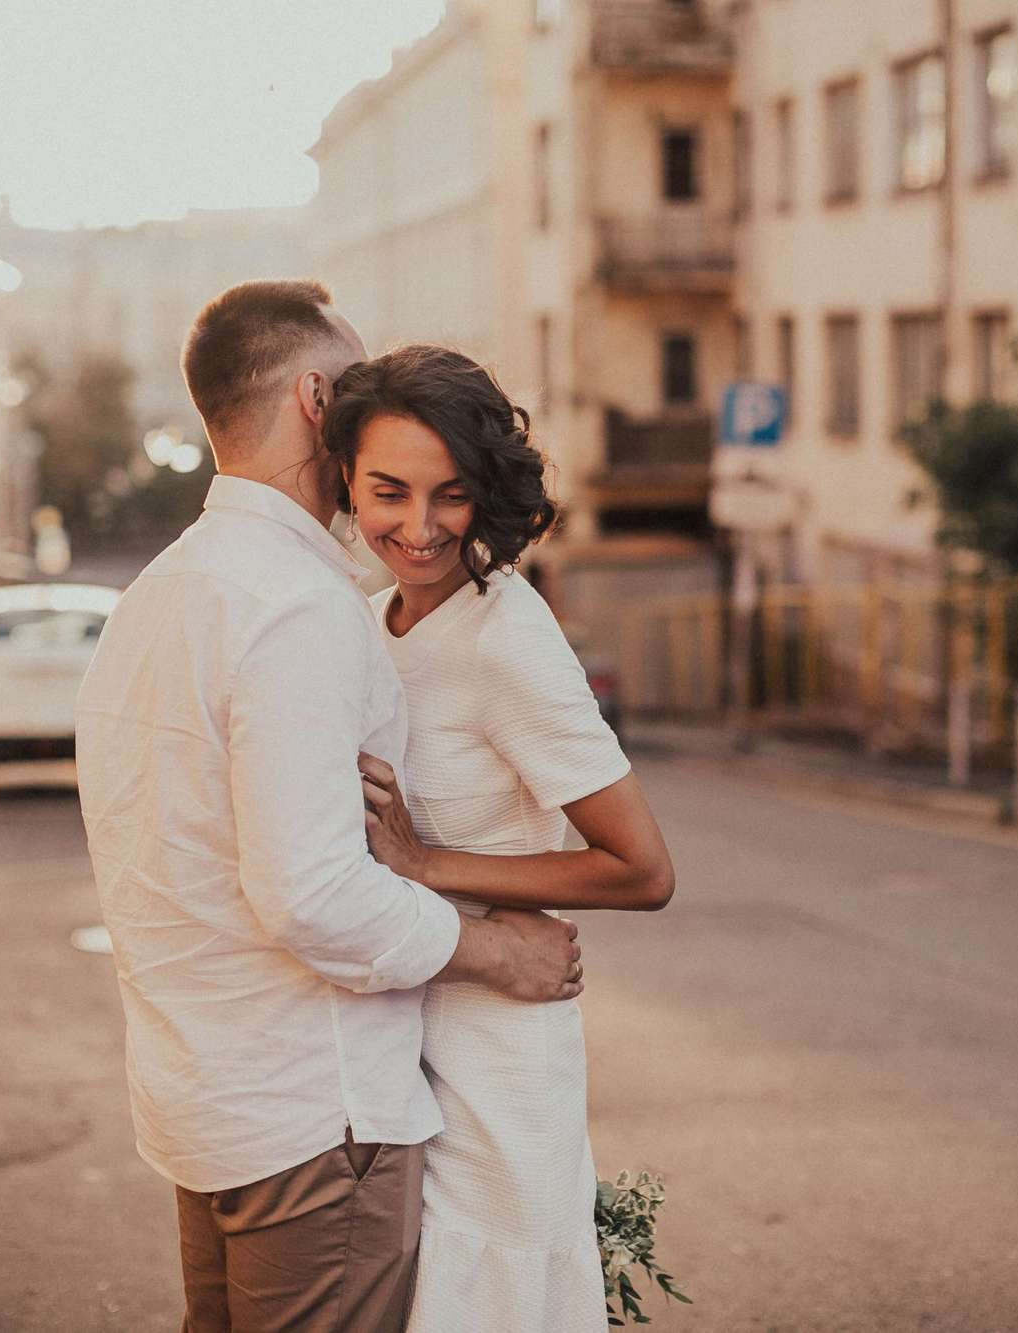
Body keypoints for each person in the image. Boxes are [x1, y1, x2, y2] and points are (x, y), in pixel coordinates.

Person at [73, 281, 584, 1333]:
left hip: (204, 1099)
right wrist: (496, 952)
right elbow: (313, 895)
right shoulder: (297, 604)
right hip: (313, 1118)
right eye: (352, 388)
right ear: (316, 399)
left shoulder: (161, 593)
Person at [324, 345, 676, 1333]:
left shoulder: (504, 634)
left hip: (497, 1049)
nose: (420, 526)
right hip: (399, 1029)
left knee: (486, 1305)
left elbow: (642, 867)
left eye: (451, 494)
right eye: (388, 491)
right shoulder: (363, 621)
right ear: (346, 477)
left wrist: (429, 865)